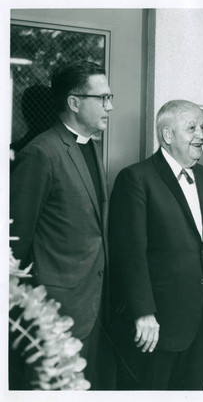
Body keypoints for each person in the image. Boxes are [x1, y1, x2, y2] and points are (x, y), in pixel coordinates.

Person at [109, 100, 203, 390]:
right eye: (192, 128)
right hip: (157, 324)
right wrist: (143, 312)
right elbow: (129, 254)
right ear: (167, 135)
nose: (201, 134)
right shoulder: (136, 179)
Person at [10, 60, 116, 389]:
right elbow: (14, 243)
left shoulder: (91, 147)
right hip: (55, 312)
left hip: (94, 303)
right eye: (103, 98)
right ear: (74, 102)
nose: (110, 107)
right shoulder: (41, 153)